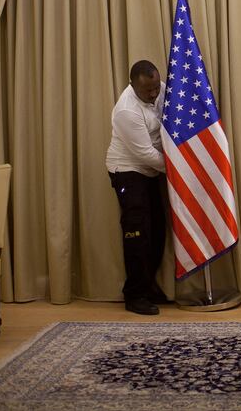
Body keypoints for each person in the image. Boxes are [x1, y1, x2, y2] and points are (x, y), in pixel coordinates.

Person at [106, 60, 168, 315]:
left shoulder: (158, 87)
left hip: (151, 172)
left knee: (157, 230)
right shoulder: (126, 110)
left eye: (155, 88)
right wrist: (179, 169)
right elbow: (146, 154)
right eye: (147, 91)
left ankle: (149, 285)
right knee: (137, 233)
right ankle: (134, 295)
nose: (154, 94)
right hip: (127, 172)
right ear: (133, 86)